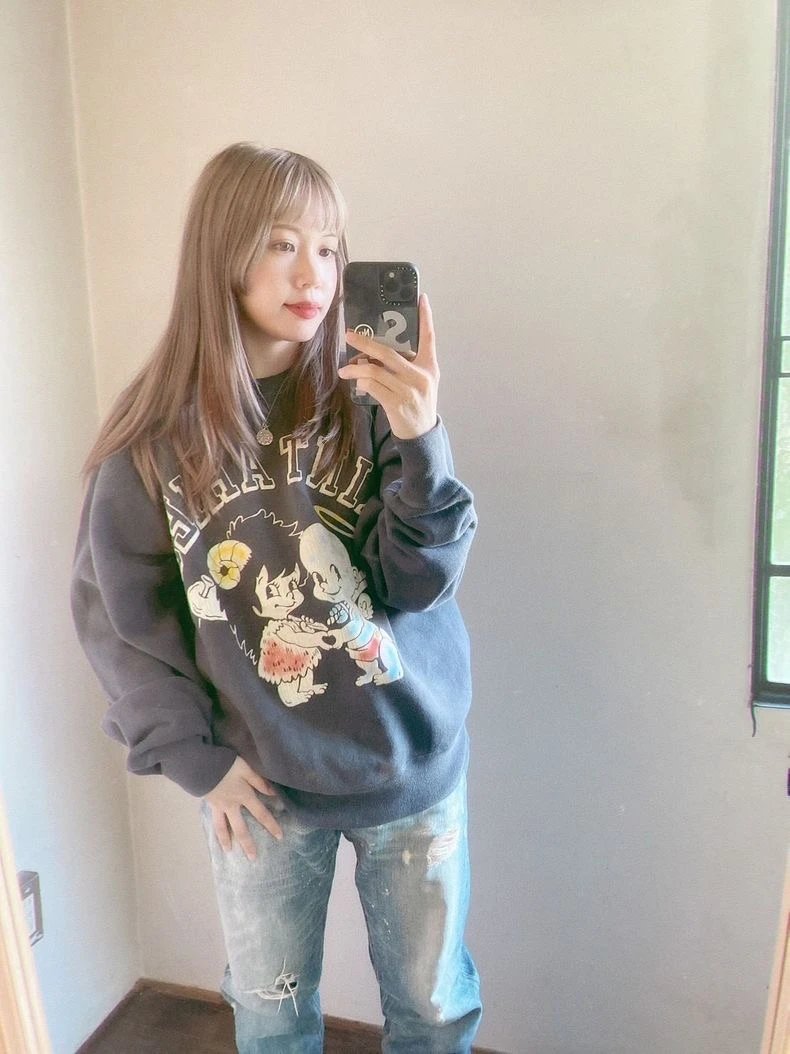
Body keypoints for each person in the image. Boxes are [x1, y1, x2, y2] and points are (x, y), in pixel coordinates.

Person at [71, 141, 481, 1053]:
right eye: (282, 243)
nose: (314, 275)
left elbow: (418, 584)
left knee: (432, 1011)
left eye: (329, 248)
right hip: (261, 785)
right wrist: (193, 758)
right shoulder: (154, 441)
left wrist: (423, 438)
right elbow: (120, 617)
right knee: (270, 1020)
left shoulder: (371, 399)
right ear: (223, 252)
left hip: (408, 762)